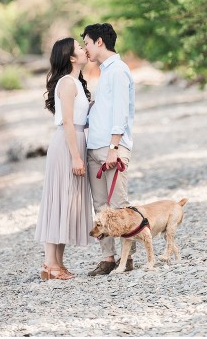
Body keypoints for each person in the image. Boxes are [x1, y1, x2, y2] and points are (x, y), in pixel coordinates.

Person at [33, 37, 93, 280]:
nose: (84, 50)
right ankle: (50, 264)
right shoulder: (68, 83)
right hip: (67, 145)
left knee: (67, 202)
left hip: (74, 140)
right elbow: (67, 121)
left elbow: (78, 118)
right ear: (71, 57)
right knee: (58, 201)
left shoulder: (76, 82)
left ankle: (57, 263)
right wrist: (76, 157)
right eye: (80, 48)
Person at [81, 23, 136, 276]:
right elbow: (102, 112)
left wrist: (114, 147)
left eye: (87, 44)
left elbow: (121, 113)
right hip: (95, 147)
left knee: (118, 205)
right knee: (100, 205)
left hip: (112, 148)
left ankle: (127, 259)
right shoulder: (104, 72)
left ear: (99, 42)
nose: (85, 49)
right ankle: (108, 258)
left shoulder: (118, 71)